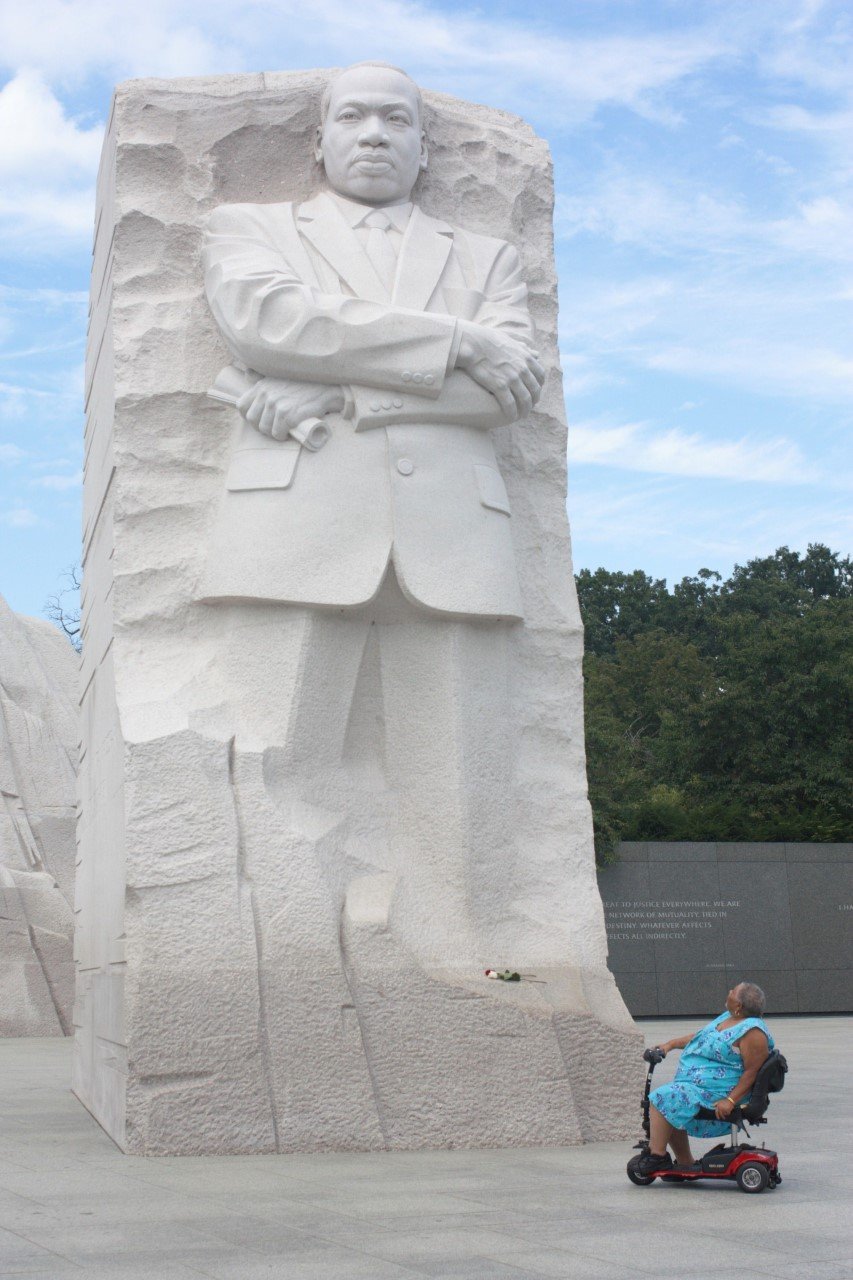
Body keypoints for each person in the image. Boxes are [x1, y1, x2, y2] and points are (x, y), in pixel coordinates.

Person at [639, 982, 774, 1173]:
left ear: (739, 1006)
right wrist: (670, 1045)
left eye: (733, 992)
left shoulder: (753, 1032)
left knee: (663, 1097)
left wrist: (730, 1100)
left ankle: (657, 1156)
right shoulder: (729, 1017)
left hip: (721, 1092)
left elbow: (752, 1072)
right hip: (696, 1087)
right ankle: (685, 1163)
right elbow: (701, 1037)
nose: (729, 992)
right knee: (672, 1100)